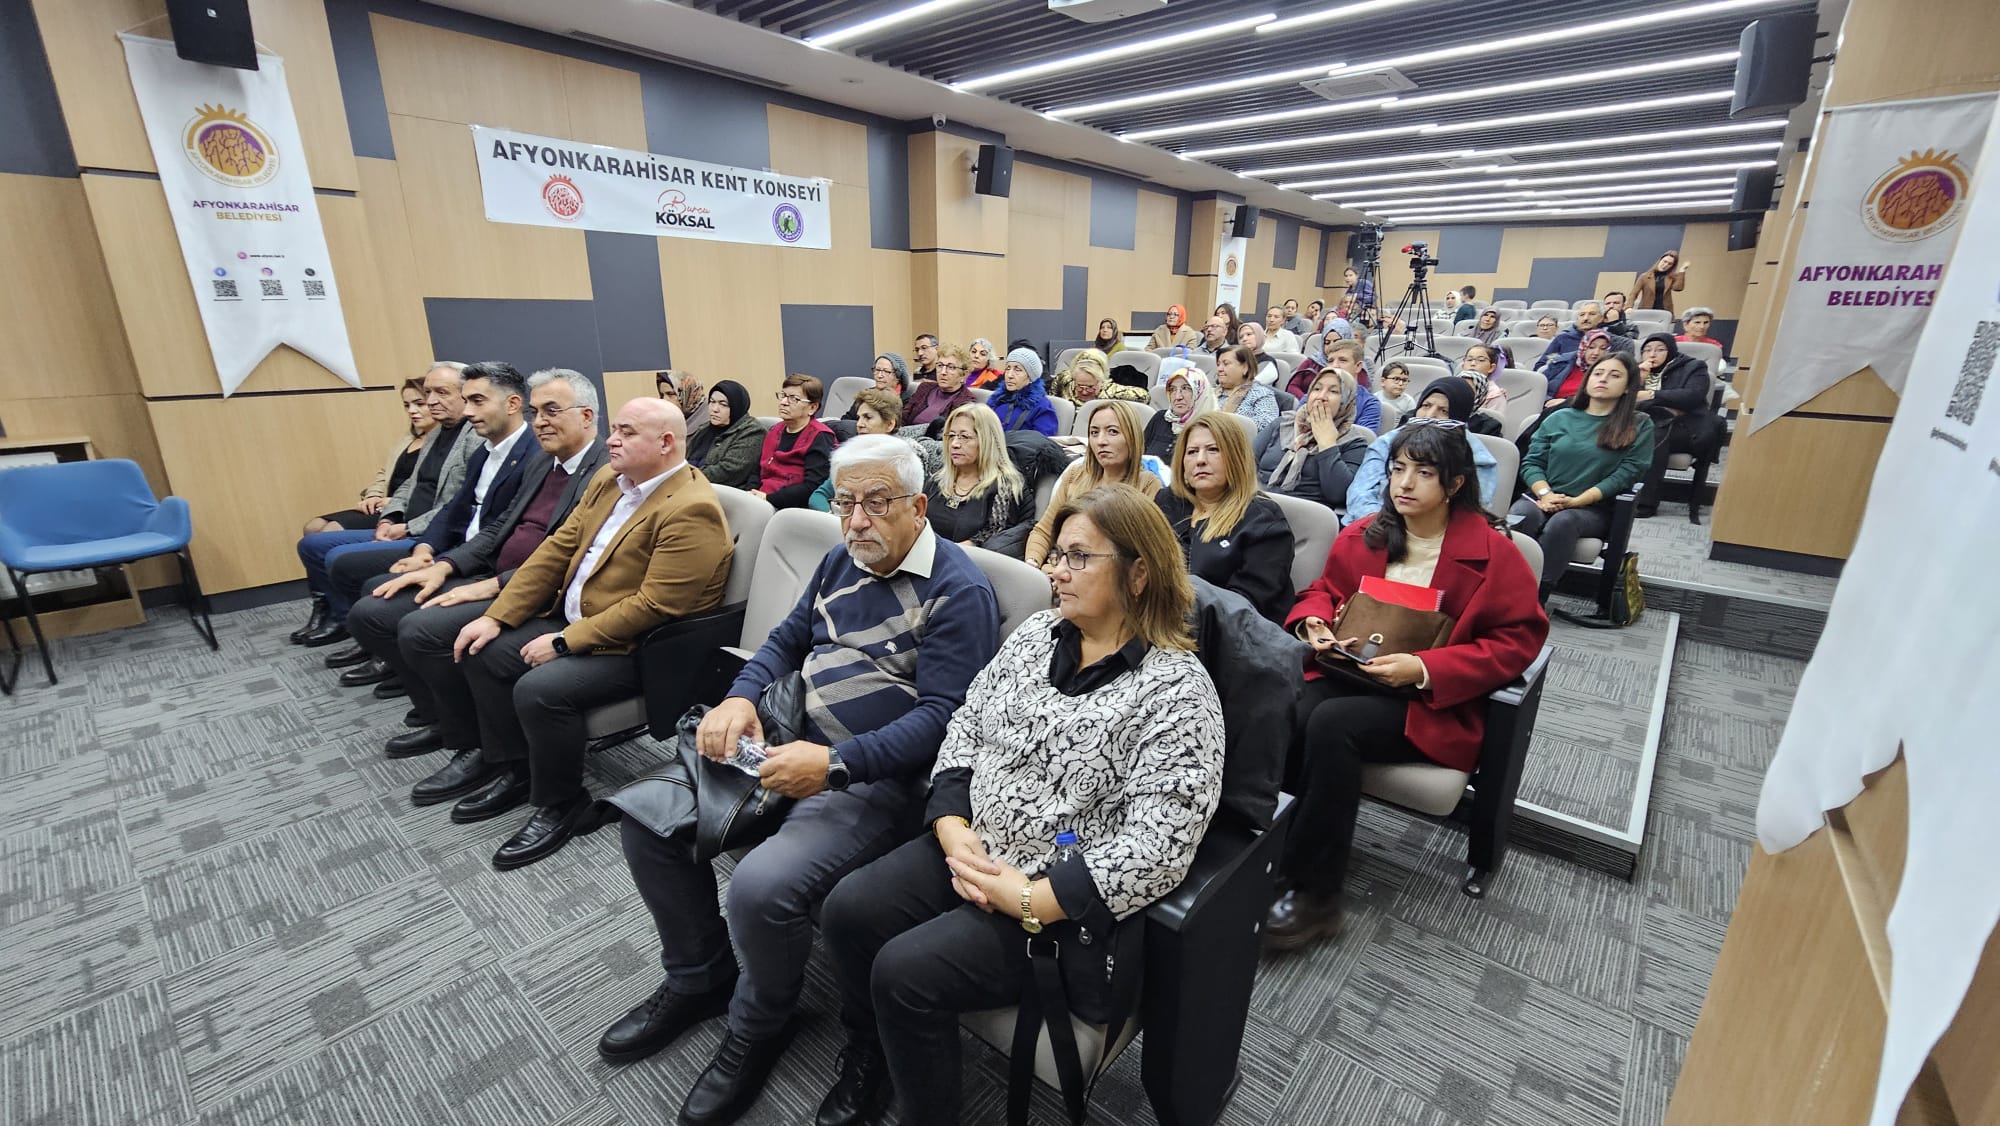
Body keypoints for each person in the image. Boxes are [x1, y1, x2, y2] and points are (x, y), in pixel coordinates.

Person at [601, 435, 1001, 1126]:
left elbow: (944, 721)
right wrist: (740, 697)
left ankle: (759, 1024)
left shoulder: (958, 589)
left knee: (761, 889)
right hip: (782, 738)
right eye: (847, 503)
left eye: (876, 504)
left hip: (869, 777)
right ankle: (700, 977)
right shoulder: (840, 559)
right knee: (647, 824)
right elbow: (785, 641)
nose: (857, 522)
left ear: (918, 506)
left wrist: (836, 765)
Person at [816, 484, 1223, 1126]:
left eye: (1079, 558)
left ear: (1139, 572)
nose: (1055, 572)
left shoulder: (1177, 688)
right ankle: (873, 1055)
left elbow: (1162, 845)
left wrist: (1031, 899)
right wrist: (951, 824)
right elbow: (967, 725)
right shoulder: (1037, 633)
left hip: (1056, 899)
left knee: (904, 973)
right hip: (974, 845)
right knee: (847, 911)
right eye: (1056, 554)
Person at [412, 397, 735, 869]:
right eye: (615, 429)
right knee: (482, 649)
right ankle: (515, 766)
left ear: (666, 443)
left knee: (540, 690)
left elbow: (655, 606)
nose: (611, 438)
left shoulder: (691, 508)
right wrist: (497, 616)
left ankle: (563, 802)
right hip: (580, 618)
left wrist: (565, 642)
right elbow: (556, 550)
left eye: (626, 431)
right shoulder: (611, 480)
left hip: (640, 648)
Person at [1266, 423, 1548, 948]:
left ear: (1456, 484)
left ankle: (1316, 894)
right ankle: (1270, 855)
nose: (1405, 484)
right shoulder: (1365, 534)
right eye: (1398, 469)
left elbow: (1518, 642)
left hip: (1428, 700)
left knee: (1331, 724)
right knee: (1288, 704)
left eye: (1424, 473)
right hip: (1353, 671)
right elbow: (1323, 589)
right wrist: (1315, 622)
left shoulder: (1495, 554)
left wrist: (1422, 668)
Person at [348, 369, 609, 758]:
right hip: (495, 573)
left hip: (536, 590)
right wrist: (445, 565)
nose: (540, 422)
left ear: (586, 417)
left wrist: (493, 585)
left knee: (422, 631)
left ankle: (474, 742)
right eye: (536, 412)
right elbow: (499, 525)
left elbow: (573, 559)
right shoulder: (544, 462)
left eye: (552, 410)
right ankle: (450, 721)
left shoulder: (604, 473)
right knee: (374, 610)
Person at [314, 362, 537, 668]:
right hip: (457, 549)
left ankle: (401, 663)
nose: (468, 412)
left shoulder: (535, 455)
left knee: (391, 613)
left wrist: (446, 561)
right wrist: (424, 549)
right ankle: (389, 657)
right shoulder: (485, 450)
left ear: (513, 404)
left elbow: (505, 529)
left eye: (475, 401)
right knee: (368, 587)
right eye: (466, 400)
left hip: (484, 561)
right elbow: (452, 508)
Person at [294, 362, 472, 646]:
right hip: (402, 523)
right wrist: (388, 518)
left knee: (337, 557)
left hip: (428, 533)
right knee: (311, 544)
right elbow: (407, 484)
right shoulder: (435, 433)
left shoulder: (473, 436)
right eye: (428, 393)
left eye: (441, 392)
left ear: (467, 395)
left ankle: (369, 638)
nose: (430, 401)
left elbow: (461, 503)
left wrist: (408, 527)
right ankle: (346, 622)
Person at [1511, 353, 1654, 599]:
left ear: (1628, 387)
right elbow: (1532, 462)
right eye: (1598, 373)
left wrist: (1577, 501)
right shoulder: (1559, 417)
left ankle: (1535, 595)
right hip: (1542, 496)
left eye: (1614, 375)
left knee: (1563, 521)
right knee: (1523, 515)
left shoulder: (1638, 424)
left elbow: (1626, 474)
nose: (1603, 379)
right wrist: (1545, 494)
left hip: (1594, 507)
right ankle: (1503, 586)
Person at [1154, 411, 1295, 622]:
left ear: (1236, 457)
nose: (1200, 460)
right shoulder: (1168, 501)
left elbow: (1245, 607)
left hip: (1221, 634)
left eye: (1213, 450)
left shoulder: (1264, 521)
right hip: (1157, 618)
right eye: (1192, 452)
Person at [1344, 379, 1502, 523]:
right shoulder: (1386, 443)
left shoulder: (1478, 459)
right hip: (1375, 525)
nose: (1431, 415)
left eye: (1444, 411)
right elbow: (1360, 493)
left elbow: (1468, 513)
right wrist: (1383, 525)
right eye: (1426, 406)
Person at [1026, 398, 1162, 562]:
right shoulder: (1076, 475)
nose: (1101, 441)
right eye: (1094, 433)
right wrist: (1033, 564)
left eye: (1112, 432)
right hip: (1056, 570)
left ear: (1132, 437)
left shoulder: (1147, 485)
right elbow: (1044, 531)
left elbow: (1139, 552)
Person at [1259, 366, 1372, 518]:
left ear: (1346, 401)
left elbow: (1338, 495)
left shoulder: (1355, 442)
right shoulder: (1283, 423)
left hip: (1304, 518)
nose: (1321, 396)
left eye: (1333, 391)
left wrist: (1327, 442)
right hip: (1258, 505)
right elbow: (1244, 464)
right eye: (1317, 389)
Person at [924, 403, 1033, 550]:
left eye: (965, 437)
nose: (954, 444)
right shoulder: (938, 479)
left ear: (986, 440)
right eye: (951, 436)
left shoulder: (1004, 486)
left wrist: (945, 553)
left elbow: (992, 537)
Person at [1632, 332, 1714, 518]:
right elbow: (1624, 397)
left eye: (1660, 349)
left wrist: (1651, 395)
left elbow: (1692, 396)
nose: (1652, 354)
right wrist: (1639, 379)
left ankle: (1646, 503)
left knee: (1652, 434)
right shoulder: (1637, 370)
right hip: (1643, 420)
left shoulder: (1693, 367)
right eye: (1647, 350)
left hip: (1685, 426)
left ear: (1671, 350)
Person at [751, 374, 839, 509]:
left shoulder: (820, 436)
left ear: (812, 408)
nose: (784, 402)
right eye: (783, 395)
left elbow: (811, 487)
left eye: (793, 398)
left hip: (791, 507)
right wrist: (750, 493)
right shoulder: (775, 430)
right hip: (760, 499)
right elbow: (757, 470)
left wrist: (768, 499)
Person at [813, 389, 902, 511]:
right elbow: (818, 496)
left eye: (868, 417)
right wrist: (833, 519)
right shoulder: (849, 457)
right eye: (859, 418)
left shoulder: (902, 462)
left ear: (889, 424)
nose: (859, 424)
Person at [686, 380, 767, 489]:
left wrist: (684, 478)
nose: (714, 409)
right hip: (692, 485)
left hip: (724, 493)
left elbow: (727, 472)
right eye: (712, 402)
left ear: (736, 407)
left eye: (723, 404)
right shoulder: (704, 428)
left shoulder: (753, 432)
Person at [1144, 360, 1217, 461]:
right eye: (1173, 390)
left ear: (1200, 392)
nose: (1177, 397)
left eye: (1186, 388)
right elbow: (1139, 457)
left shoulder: (1212, 427)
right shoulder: (1161, 418)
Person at [987, 347, 1059, 436]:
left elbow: (1041, 443)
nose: (1009, 375)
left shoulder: (1042, 407)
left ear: (1031, 376)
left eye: (1017, 370)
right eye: (1008, 368)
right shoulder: (996, 399)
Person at [904, 344, 977, 429]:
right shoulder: (924, 387)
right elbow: (904, 416)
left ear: (964, 374)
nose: (943, 372)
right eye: (940, 365)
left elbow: (949, 433)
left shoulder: (966, 401)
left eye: (951, 367)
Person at [1321, 339, 1384, 432]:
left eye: (1342, 360)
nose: (1334, 366)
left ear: (1358, 366)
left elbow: (1363, 440)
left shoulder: (1369, 403)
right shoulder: (1314, 396)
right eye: (1330, 361)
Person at [1216, 344, 1280, 432]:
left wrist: (1225, 424)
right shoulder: (1210, 393)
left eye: (1226, 364)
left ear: (1245, 367)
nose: (1219, 369)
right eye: (1218, 364)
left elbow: (1266, 427)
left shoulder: (1261, 394)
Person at [1053, 348, 1145, 405]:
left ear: (1101, 381)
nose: (1084, 392)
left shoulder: (1110, 389)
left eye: (1090, 387)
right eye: (1080, 386)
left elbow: (1144, 397)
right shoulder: (1065, 380)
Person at [1535, 302, 1603, 371]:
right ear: (1577, 319)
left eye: (1592, 314)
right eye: (1582, 315)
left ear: (1601, 318)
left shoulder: (1609, 340)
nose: (1585, 318)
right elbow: (1540, 367)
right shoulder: (1562, 338)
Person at [844, 353, 909, 419]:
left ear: (898, 377)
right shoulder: (866, 394)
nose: (879, 375)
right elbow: (847, 419)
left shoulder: (906, 401)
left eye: (886, 371)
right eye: (877, 370)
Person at [1460, 343, 1512, 414]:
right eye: (1469, 360)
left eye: (1481, 360)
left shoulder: (1495, 395)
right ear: (1463, 366)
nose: (1473, 363)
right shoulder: (1454, 387)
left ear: (1491, 367)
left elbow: (1493, 422)